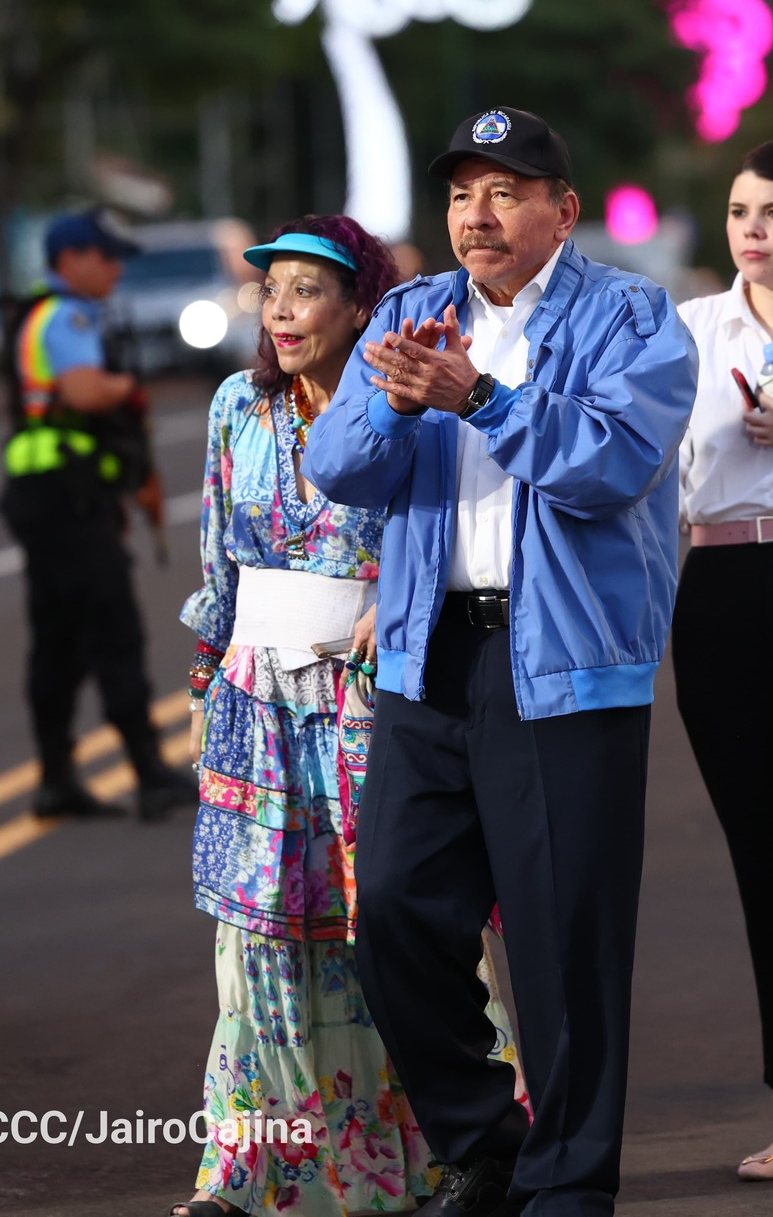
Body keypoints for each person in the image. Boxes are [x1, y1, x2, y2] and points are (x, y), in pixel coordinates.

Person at [303, 108, 698, 1217]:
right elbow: (337, 467)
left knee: (565, 939)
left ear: (562, 213)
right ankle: (489, 1141)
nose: (477, 214)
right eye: (461, 194)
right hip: (428, 656)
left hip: (562, 663)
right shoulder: (409, 312)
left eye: (505, 191)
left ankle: (570, 1183)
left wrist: (479, 396)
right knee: (394, 912)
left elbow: (614, 463)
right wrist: (393, 403)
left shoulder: (630, 314)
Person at [175, 213, 528, 1217]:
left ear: (363, 306)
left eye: (307, 291)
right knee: (259, 941)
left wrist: (393, 598)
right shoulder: (237, 404)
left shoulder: (408, 408)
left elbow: (449, 534)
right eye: (271, 291)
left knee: (398, 927)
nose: (282, 312)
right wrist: (205, 684)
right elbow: (217, 559)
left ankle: (457, 1151)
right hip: (255, 704)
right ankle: (244, 1173)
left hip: (372, 703)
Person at [673, 139, 773, 1181]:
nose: (752, 230)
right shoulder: (688, 331)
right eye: (738, 212)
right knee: (766, 859)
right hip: (720, 591)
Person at [1, 207, 193, 821]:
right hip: (68, 494)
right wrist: (127, 387)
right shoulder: (69, 314)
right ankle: (148, 772)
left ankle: (56, 779)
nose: (115, 269)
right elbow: (84, 391)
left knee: (58, 637)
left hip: (47, 490)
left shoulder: (37, 312)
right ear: (71, 259)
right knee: (113, 628)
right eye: (106, 257)